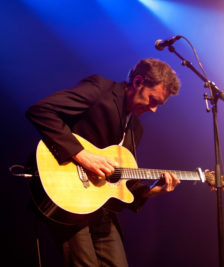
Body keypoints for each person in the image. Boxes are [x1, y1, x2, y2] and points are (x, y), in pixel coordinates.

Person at [26, 58, 182, 266]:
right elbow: (41, 111)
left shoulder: (136, 129)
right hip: (70, 197)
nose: (154, 109)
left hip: (101, 209)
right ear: (138, 82)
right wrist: (81, 155)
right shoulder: (101, 90)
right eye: (153, 100)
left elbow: (119, 180)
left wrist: (148, 192)